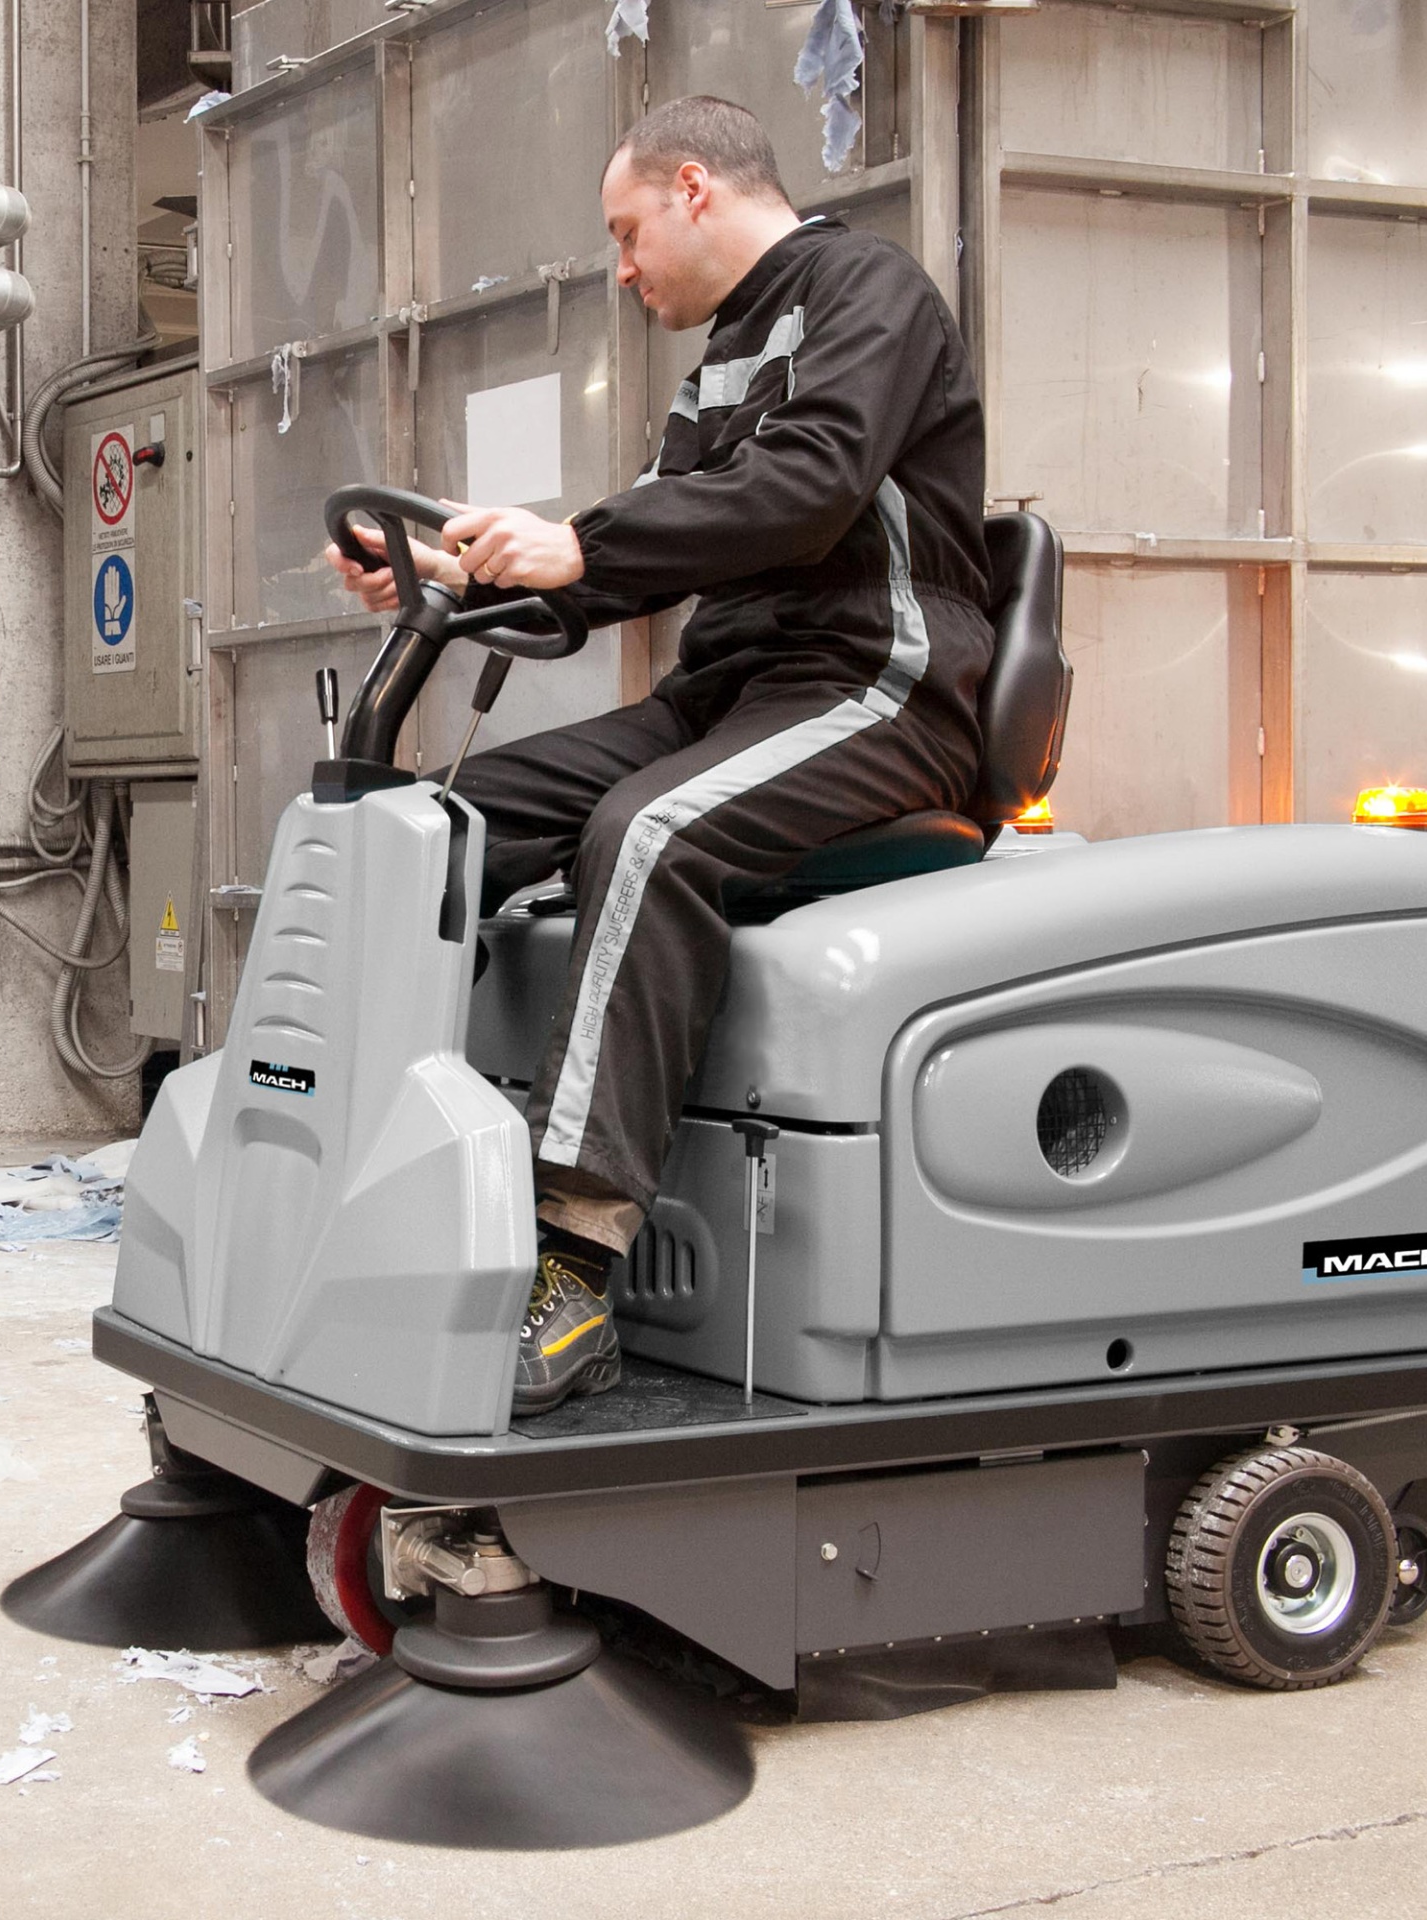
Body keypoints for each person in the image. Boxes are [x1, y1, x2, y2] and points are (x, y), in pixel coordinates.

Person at [328, 95, 993, 1414]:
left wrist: (582, 544)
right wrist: (465, 572)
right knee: (445, 820)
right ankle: (383, 1172)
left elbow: (808, 489)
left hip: (877, 682)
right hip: (729, 692)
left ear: (695, 188)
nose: (623, 270)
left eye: (627, 234)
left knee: (647, 831)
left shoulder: (868, 291)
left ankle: (572, 1269)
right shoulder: (724, 358)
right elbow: (654, 538)